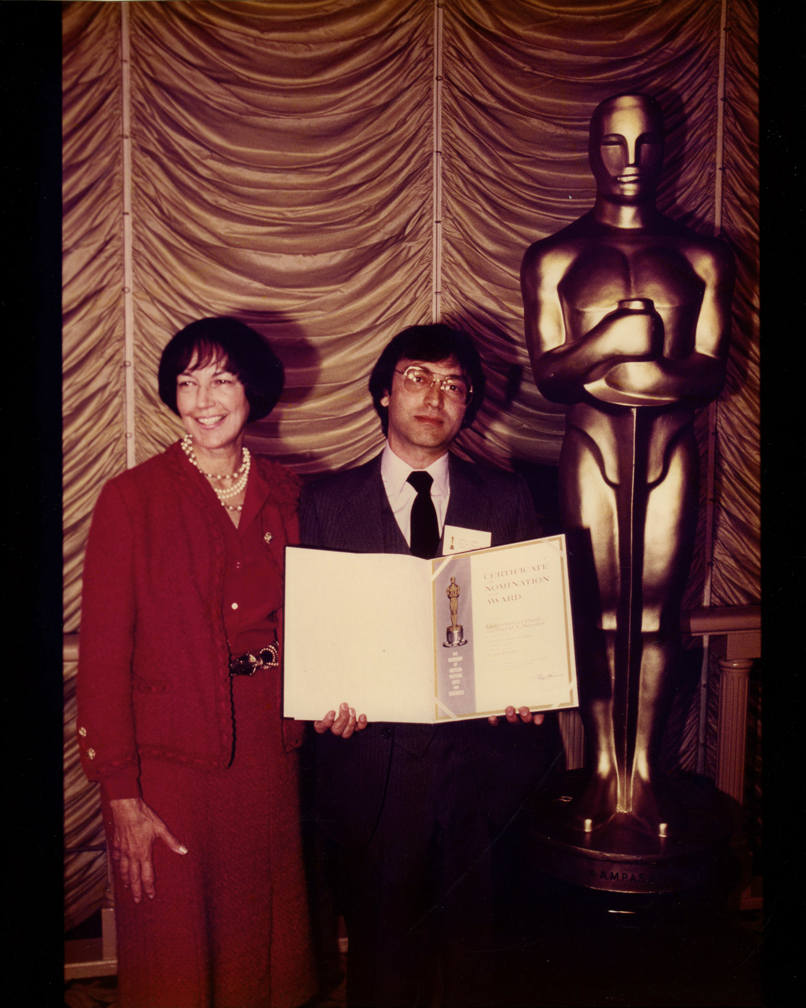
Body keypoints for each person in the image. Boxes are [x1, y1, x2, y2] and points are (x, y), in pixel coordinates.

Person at [300, 323, 555, 1008]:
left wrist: (531, 688)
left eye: (453, 385)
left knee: (482, 967)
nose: (434, 396)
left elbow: (527, 625)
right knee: (383, 972)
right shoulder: (321, 505)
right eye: (417, 376)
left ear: (470, 405)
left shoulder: (509, 498)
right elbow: (313, 634)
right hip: (371, 779)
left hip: (484, 774)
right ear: (384, 392)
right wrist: (322, 702)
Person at [76, 317, 316, 1008]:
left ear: (254, 391)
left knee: (258, 949)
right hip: (168, 767)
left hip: (268, 755)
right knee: (175, 953)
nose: (203, 398)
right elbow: (100, 659)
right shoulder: (132, 499)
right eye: (187, 381)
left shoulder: (287, 491)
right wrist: (121, 794)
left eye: (222, 379)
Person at [521, 93, 734, 833]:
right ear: (592, 150)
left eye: (645, 144)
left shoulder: (703, 256)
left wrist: (627, 374)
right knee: (596, 613)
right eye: (614, 144)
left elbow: (710, 371)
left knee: (655, 615)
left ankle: (642, 773)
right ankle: (601, 773)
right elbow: (549, 375)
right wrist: (612, 341)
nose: (632, 161)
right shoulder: (555, 256)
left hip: (671, 446)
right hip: (589, 444)